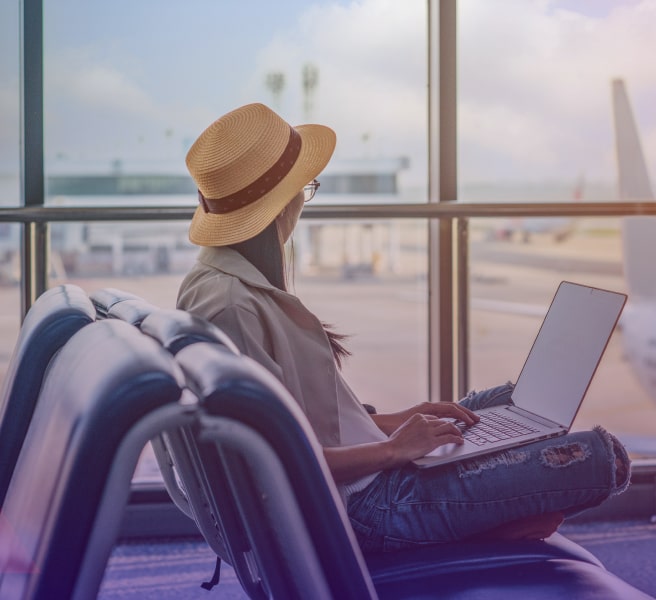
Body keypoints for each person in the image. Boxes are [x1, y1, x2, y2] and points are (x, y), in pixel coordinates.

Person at [177, 103, 631, 552]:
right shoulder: (232, 308)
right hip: (369, 505)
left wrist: (398, 421)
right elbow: (270, 462)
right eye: (303, 187)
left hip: (365, 471)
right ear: (280, 206)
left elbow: (306, 423)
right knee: (604, 457)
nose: (302, 200)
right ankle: (482, 526)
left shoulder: (224, 281)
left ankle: (486, 510)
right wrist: (394, 450)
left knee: (514, 401)